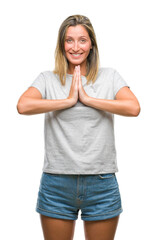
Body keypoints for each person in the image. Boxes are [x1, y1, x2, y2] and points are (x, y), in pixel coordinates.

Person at [17, 14, 140, 240]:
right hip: (56, 183)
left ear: (91, 44)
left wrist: (88, 98)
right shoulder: (47, 79)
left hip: (101, 182)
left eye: (82, 40)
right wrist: (68, 101)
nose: (75, 47)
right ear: (61, 45)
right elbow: (23, 106)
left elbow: (133, 108)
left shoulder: (109, 76)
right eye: (69, 40)